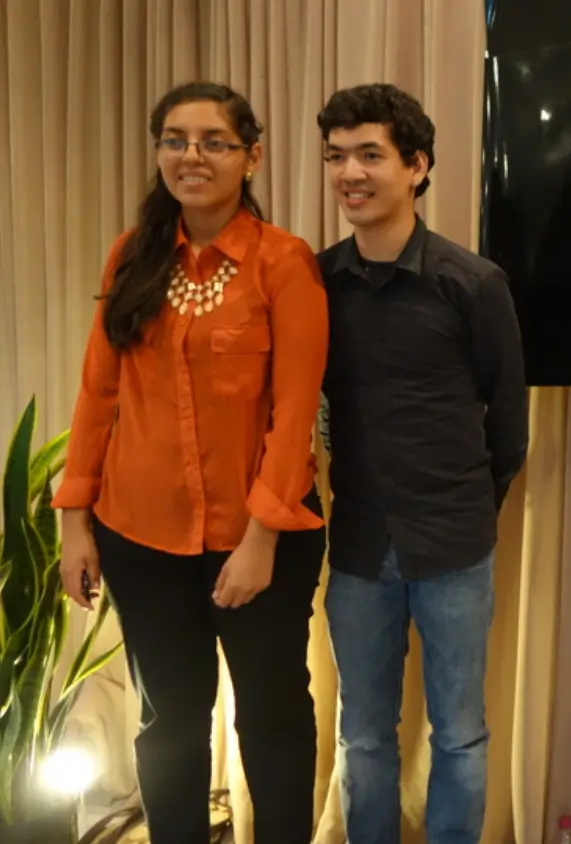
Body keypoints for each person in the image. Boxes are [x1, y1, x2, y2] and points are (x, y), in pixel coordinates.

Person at [54, 81, 328, 843]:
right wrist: (75, 524)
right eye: (175, 140)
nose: (191, 156)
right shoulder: (132, 257)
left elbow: (294, 415)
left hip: (260, 539)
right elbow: (97, 395)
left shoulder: (284, 262)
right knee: (168, 719)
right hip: (140, 534)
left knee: (272, 716)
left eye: (214, 142)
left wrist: (260, 538)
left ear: (252, 157)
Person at [315, 83, 529, 844]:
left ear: (417, 166)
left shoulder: (472, 283)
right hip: (357, 542)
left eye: (370, 155)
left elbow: (509, 425)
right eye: (336, 156)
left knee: (460, 733)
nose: (350, 173)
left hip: (454, 545)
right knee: (363, 734)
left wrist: (465, 506)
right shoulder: (315, 283)